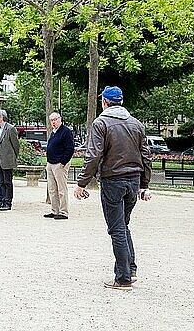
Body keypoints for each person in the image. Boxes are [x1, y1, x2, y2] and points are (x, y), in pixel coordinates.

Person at [74, 86, 152, 291]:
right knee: (123, 225)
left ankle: (123, 277)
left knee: (116, 228)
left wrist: (82, 182)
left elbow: (93, 155)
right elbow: (146, 156)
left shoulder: (101, 123)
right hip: (133, 180)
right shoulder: (136, 124)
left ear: (104, 102)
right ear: (121, 102)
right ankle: (130, 268)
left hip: (113, 180)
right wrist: (144, 185)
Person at [44, 112, 75, 220]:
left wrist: (63, 162)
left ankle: (63, 212)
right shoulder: (53, 132)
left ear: (60, 119)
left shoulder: (65, 131)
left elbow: (70, 148)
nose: (53, 122)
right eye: (51, 120)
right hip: (51, 163)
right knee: (52, 189)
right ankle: (54, 210)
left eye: (55, 119)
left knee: (61, 189)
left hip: (59, 164)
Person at [0, 110, 20, 211]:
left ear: (1, 118)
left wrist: (12, 156)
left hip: (7, 159)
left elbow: (16, 145)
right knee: (1, 181)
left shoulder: (10, 128)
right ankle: (2, 200)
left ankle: (8, 202)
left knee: (7, 181)